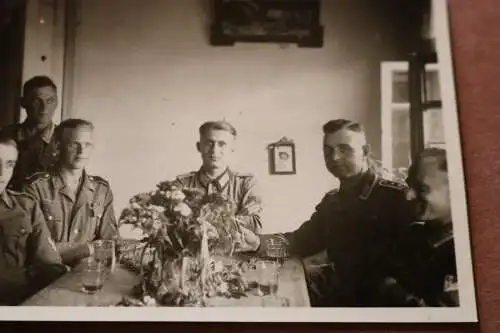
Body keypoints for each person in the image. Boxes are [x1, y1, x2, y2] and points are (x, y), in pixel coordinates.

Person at [237, 119, 412, 307]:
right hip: (344, 296)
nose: (334, 157)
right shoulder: (333, 202)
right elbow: (299, 242)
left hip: (383, 304)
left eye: (344, 149)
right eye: (328, 150)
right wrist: (257, 243)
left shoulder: (394, 197)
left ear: (365, 152)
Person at [23, 118, 119, 266]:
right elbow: (34, 248)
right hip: (44, 279)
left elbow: (110, 244)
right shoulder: (36, 188)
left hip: (86, 277)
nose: (82, 151)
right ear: (58, 146)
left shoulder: (101, 190)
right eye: (74, 144)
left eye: (87, 144)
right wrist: (86, 248)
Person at [379, 148, 459, 307]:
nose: (409, 195)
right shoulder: (412, 235)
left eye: (422, 189)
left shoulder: (465, 251)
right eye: (409, 185)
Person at [0, 136, 67, 305]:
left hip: (22, 305)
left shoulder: (26, 207)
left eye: (9, 164)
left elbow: (49, 265)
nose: (2, 173)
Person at [173, 120, 263, 233]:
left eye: (222, 144)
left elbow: (255, 224)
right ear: (199, 146)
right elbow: (172, 226)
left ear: (232, 148)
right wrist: (234, 219)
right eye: (209, 143)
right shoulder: (182, 184)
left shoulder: (245, 184)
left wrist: (195, 219)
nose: (214, 150)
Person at [0, 75, 59, 191]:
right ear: (23, 103)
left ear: (57, 102)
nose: (44, 108)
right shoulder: (6, 135)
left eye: (50, 101)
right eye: (37, 101)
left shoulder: (64, 138)